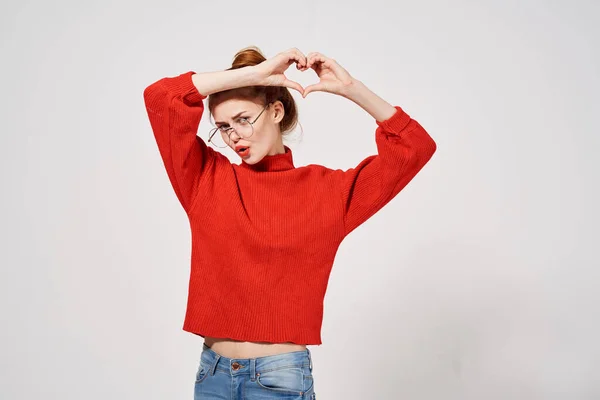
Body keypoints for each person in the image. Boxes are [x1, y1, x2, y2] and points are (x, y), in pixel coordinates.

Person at [143, 46, 437, 400]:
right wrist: (252, 76)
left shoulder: (327, 192)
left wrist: (352, 88)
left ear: (276, 111)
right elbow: (161, 98)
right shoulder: (205, 179)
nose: (234, 135)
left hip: (279, 379)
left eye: (243, 119)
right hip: (213, 376)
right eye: (223, 126)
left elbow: (414, 147)